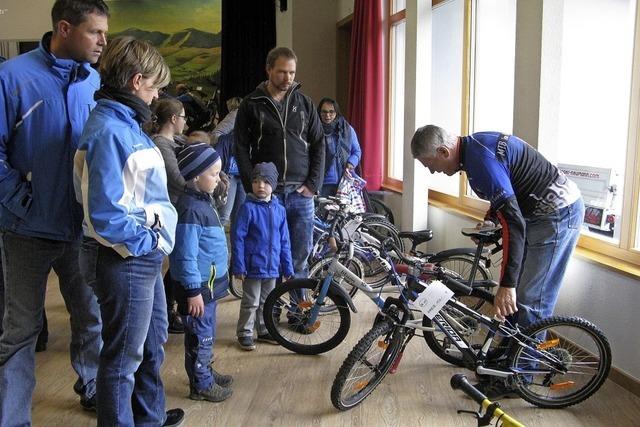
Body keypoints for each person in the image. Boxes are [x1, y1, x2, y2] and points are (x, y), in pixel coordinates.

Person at [411, 125, 584, 397]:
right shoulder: (475, 148)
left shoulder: (480, 163)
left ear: (444, 151)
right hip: (538, 215)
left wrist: (508, 284)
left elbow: (515, 223)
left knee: (529, 301)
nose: (432, 171)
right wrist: (493, 216)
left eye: (430, 164)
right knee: (517, 301)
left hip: (557, 216)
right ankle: (507, 361)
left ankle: (520, 379)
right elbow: (509, 187)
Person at [0, 1, 108, 421]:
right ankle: (12, 418)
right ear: (64, 28)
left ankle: (94, 387)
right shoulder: (11, 78)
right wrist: (21, 203)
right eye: (94, 32)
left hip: (79, 229)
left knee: (89, 318)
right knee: (19, 332)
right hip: (25, 230)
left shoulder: (93, 81)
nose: (103, 41)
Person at [74, 36, 184, 426]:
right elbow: (105, 214)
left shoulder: (126, 124)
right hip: (127, 259)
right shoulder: (110, 131)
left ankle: (149, 418)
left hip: (140, 257)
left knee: (152, 345)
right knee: (122, 359)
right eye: (155, 87)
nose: (156, 97)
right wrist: (151, 242)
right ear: (137, 81)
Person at [234, 46, 324, 286]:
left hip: (300, 193)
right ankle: (270, 312)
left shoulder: (305, 103)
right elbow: (240, 147)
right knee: (267, 254)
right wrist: (250, 184)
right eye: (282, 72)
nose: (288, 78)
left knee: (299, 256)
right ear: (269, 70)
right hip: (267, 194)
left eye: (292, 72)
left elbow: (319, 144)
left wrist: (313, 184)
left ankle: (298, 310)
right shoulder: (251, 104)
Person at [170, 143, 233, 402]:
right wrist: (193, 291)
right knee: (201, 336)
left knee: (205, 333)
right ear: (196, 175)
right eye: (214, 174)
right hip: (198, 290)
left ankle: (204, 371)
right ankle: (201, 385)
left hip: (208, 286)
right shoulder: (190, 209)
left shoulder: (202, 200)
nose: (218, 179)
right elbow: (185, 255)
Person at [232, 162, 294, 350]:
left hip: (273, 267)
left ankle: (264, 329)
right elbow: (238, 239)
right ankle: (245, 332)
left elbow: (285, 241)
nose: (261, 186)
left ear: (273, 185)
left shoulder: (280, 210)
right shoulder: (247, 209)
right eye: (256, 181)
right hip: (253, 266)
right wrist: (238, 266)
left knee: (267, 302)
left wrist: (287, 266)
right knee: (250, 302)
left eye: (266, 182)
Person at [148, 98, 188, 334]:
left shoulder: (176, 141)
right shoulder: (162, 144)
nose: (185, 121)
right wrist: (203, 185)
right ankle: (169, 310)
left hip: (179, 206)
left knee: (179, 262)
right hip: (173, 207)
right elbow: (177, 178)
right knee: (176, 263)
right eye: (182, 116)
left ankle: (172, 307)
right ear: (173, 119)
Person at [317, 97, 362, 197]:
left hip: (343, 182)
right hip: (320, 183)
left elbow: (357, 151)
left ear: (336, 112)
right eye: (324, 112)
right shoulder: (314, 130)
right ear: (319, 113)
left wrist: (351, 162)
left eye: (331, 112)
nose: (327, 115)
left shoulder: (347, 129)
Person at [212, 97, 246, 227]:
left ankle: (236, 248)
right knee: (224, 217)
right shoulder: (238, 114)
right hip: (229, 172)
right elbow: (216, 134)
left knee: (241, 219)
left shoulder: (264, 117)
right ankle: (214, 245)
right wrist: (235, 142)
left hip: (245, 174)